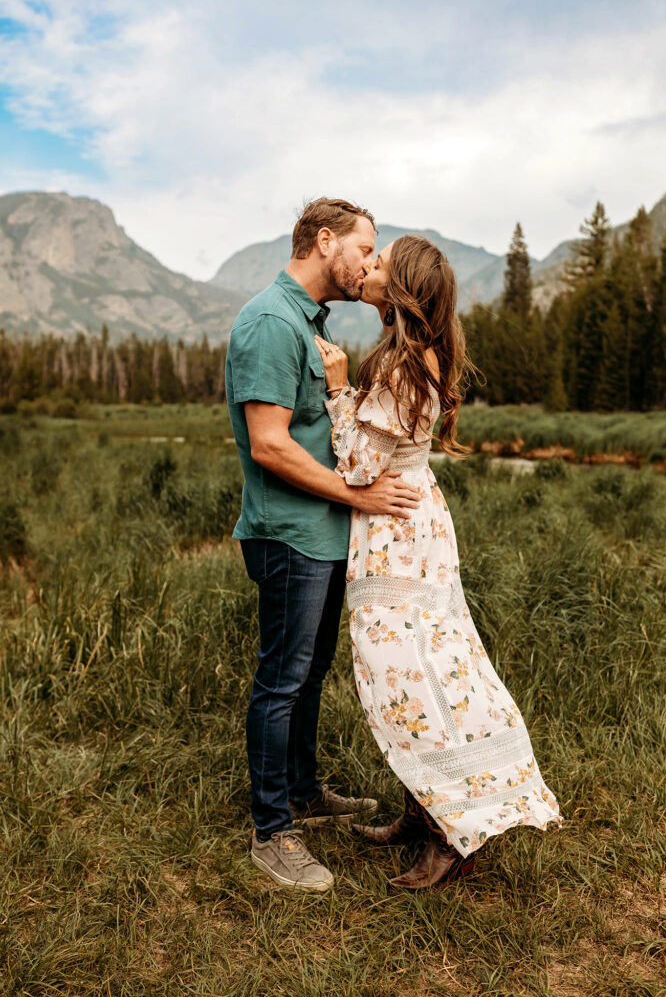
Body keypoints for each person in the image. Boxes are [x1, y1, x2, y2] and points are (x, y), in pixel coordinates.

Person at [314, 234, 563, 892]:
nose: (366, 268)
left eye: (380, 264)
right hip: (418, 523)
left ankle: (450, 832)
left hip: (395, 530)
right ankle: (423, 811)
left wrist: (338, 390)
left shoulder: (394, 368)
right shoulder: (416, 353)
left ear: (397, 292)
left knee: (406, 679)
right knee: (428, 665)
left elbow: (360, 465)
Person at [225, 199, 422, 893]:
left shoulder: (313, 323)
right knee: (281, 680)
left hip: (323, 532)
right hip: (289, 533)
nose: (370, 263)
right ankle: (272, 833)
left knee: (308, 673)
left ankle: (304, 793)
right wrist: (361, 497)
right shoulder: (271, 323)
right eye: (364, 249)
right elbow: (270, 445)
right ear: (324, 239)